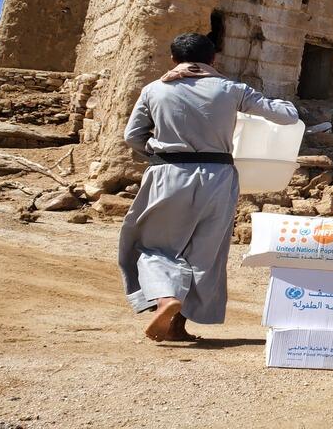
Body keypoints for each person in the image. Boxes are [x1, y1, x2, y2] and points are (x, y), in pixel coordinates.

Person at [118, 32, 298, 342]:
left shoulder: (155, 89)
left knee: (154, 245)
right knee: (205, 254)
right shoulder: (231, 89)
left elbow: (132, 136)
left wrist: (159, 150)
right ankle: (178, 326)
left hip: (169, 173)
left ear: (174, 59)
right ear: (213, 58)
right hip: (219, 177)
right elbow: (286, 115)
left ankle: (165, 298)